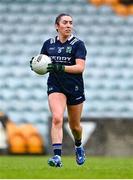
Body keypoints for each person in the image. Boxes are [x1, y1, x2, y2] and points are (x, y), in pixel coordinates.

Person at [30, 13, 87, 167]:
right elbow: (41, 62)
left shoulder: (78, 44)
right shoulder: (48, 44)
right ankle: (57, 157)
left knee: (75, 126)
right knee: (57, 118)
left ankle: (78, 146)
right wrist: (35, 65)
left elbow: (80, 67)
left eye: (71, 22)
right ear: (57, 26)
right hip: (55, 86)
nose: (69, 25)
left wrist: (59, 67)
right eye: (65, 22)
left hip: (74, 88)